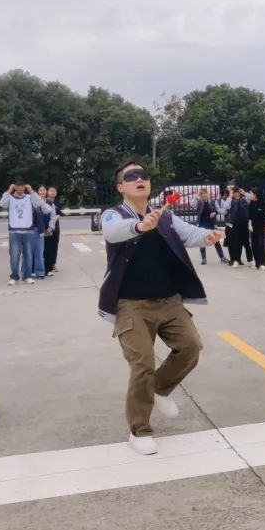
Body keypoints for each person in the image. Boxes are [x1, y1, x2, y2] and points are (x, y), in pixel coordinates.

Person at [99, 161, 223, 455]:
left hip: (169, 301)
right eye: (131, 176)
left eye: (143, 176)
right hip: (132, 305)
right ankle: (139, 430)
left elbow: (189, 234)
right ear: (121, 186)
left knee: (191, 347)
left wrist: (208, 236)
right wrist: (140, 226)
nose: (139, 179)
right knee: (142, 366)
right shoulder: (113, 214)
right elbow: (112, 232)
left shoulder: (165, 216)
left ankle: (161, 388)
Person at [0, 180, 52, 285]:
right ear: (15, 187)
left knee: (28, 255)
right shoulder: (10, 198)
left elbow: (44, 207)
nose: (20, 188)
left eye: (22, 186)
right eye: (17, 186)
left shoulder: (29, 198)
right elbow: (2, 204)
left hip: (28, 231)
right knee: (14, 256)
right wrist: (9, 191)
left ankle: (27, 276)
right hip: (14, 231)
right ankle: (14, 276)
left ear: (25, 187)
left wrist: (32, 191)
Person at [195, 188, 227, 265]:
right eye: (201, 194)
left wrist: (215, 213)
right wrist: (196, 197)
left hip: (211, 223)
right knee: (202, 241)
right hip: (202, 224)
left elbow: (218, 210)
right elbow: (192, 204)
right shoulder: (198, 202)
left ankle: (222, 257)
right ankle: (204, 259)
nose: (202, 195)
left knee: (216, 240)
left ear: (207, 193)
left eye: (204, 193)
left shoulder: (213, 201)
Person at [224, 185, 250, 267]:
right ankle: (233, 259)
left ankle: (238, 259)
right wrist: (230, 196)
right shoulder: (230, 200)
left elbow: (251, 198)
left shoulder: (244, 200)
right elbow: (225, 207)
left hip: (243, 224)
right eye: (235, 193)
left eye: (238, 192)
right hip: (232, 224)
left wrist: (244, 193)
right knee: (233, 243)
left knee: (240, 243)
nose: (237, 194)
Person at [31, 185, 52, 279]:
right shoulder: (31, 202)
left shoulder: (47, 203)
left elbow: (51, 214)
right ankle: (31, 271)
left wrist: (50, 227)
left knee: (41, 252)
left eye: (44, 190)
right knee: (31, 251)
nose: (42, 192)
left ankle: (41, 271)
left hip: (43, 229)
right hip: (32, 229)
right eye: (40, 190)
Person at [44, 186, 64, 275]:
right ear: (47, 192)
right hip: (46, 228)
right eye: (51, 190)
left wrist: (57, 216)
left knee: (54, 246)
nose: (52, 192)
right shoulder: (44, 201)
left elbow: (60, 213)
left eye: (54, 191)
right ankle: (45, 265)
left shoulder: (57, 203)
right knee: (46, 247)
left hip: (55, 228)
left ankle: (53, 264)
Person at [248, 187, 265, 271]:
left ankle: (262, 263)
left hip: (262, 227)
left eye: (251, 193)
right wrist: (250, 225)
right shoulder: (251, 204)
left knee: (261, 245)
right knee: (254, 246)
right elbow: (250, 216)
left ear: (255, 194)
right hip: (253, 228)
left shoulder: (263, 204)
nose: (250, 195)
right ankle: (257, 263)